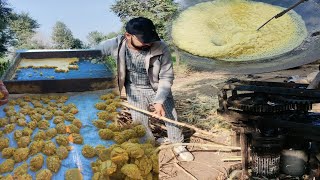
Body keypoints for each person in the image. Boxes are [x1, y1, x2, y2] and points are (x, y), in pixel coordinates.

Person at [97, 17, 194, 161]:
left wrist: (159, 100)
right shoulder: (115, 44)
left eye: (150, 38)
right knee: (139, 120)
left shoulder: (161, 47)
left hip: (157, 87)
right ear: (128, 35)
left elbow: (166, 77)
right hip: (134, 89)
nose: (149, 42)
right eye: (144, 40)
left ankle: (177, 143)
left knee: (171, 116)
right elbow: (92, 52)